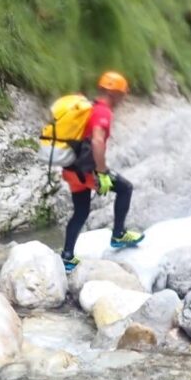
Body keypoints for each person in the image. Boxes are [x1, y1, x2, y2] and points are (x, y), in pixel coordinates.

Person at [59, 71, 143, 272]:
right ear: (114, 93)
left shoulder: (89, 107)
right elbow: (97, 140)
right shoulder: (103, 111)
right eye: (122, 94)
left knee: (81, 212)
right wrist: (102, 172)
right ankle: (119, 234)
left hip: (71, 169)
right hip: (86, 170)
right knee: (125, 188)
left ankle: (67, 257)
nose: (123, 99)